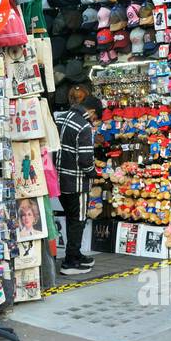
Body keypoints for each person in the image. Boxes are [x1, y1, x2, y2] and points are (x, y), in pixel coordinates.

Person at [55, 93, 98, 275]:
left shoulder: (61, 118)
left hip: (59, 179)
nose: (95, 120)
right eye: (96, 116)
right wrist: (94, 174)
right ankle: (70, 262)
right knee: (77, 220)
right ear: (92, 111)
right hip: (77, 182)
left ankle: (76, 254)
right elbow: (86, 159)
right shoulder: (84, 126)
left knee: (71, 217)